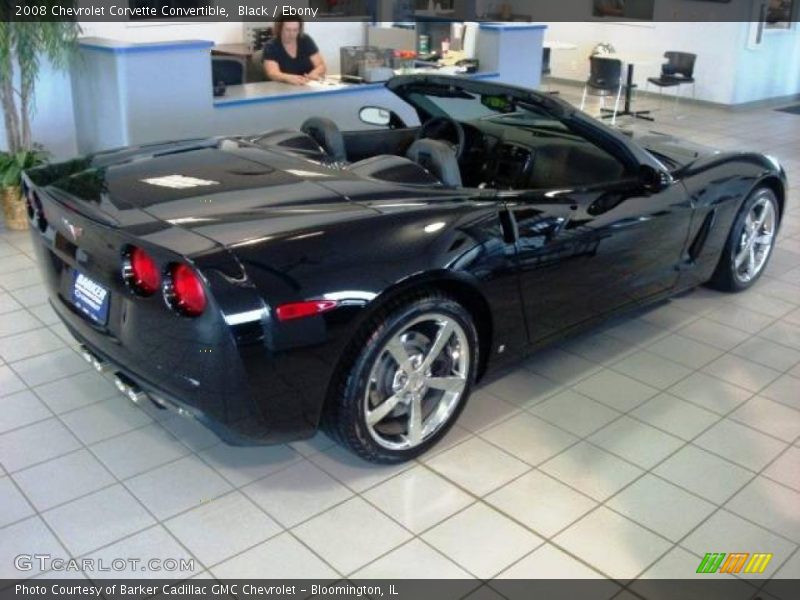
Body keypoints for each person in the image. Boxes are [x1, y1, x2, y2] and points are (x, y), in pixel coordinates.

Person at [263, 16, 326, 85]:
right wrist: (288, 78)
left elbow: (321, 65)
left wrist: (313, 74)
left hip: (308, 85)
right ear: (279, 29)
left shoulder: (305, 40)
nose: (291, 34)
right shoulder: (271, 46)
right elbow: (273, 73)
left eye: (295, 30)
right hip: (285, 88)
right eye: (288, 30)